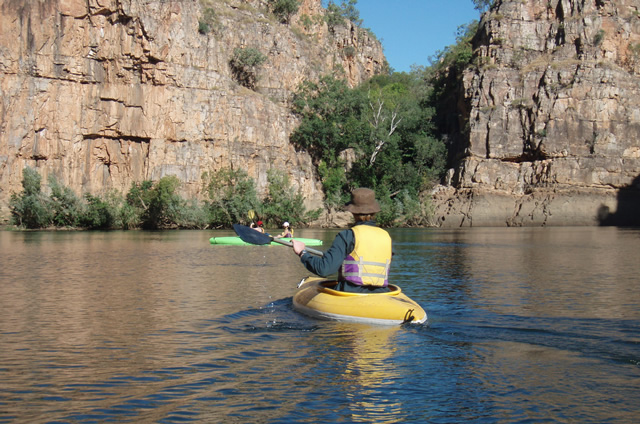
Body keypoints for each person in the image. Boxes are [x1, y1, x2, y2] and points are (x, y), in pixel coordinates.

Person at [292, 188, 391, 293]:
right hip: (382, 293)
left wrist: (302, 253)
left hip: (351, 293)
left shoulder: (347, 236)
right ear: (374, 211)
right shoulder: (386, 236)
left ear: (352, 212)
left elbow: (324, 269)